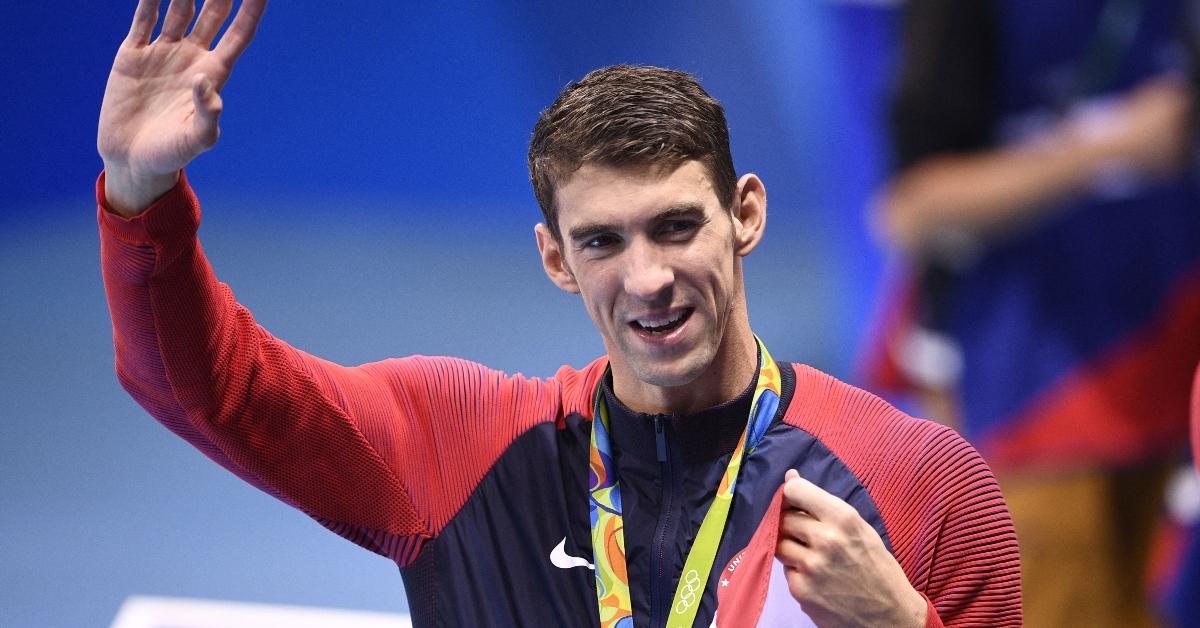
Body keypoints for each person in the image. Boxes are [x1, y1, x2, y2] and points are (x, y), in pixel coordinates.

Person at [97, 1, 1021, 626]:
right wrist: (142, 196)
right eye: (603, 243)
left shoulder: (917, 480)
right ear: (555, 259)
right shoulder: (456, 446)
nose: (649, 278)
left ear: (746, 214)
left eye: (675, 227)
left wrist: (903, 625)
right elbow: (210, 390)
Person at [861, 0, 1200, 626]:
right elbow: (910, 210)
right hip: (1039, 406)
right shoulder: (962, 18)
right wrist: (1112, 146)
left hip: (1178, 388)